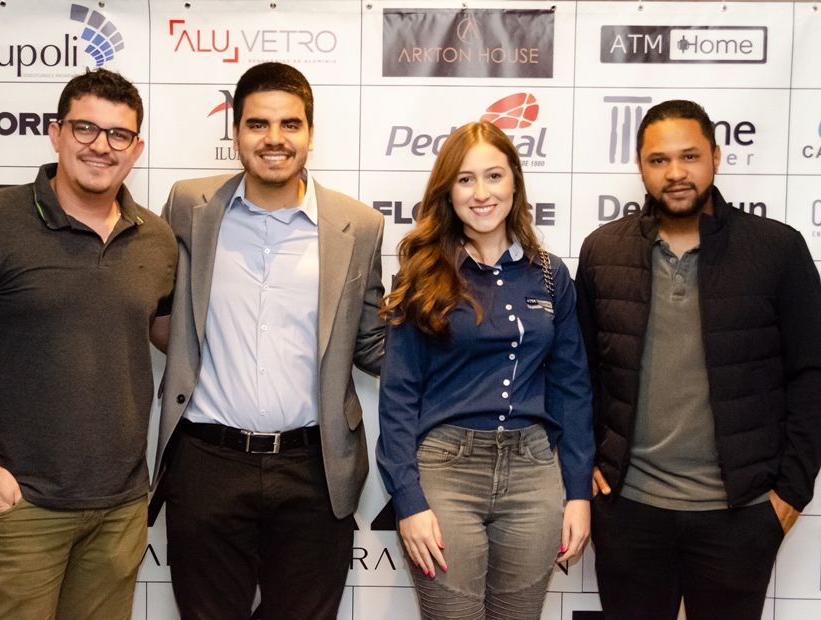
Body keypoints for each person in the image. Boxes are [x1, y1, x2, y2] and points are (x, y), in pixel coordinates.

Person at [0, 69, 176, 618]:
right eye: (84, 129)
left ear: (136, 148)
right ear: (56, 133)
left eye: (118, 135)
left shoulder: (157, 236)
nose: (101, 147)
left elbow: (167, 334)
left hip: (121, 507)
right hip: (21, 505)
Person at [149, 61, 385, 619]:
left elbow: (372, 342)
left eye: (290, 125)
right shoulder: (188, 206)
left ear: (309, 133)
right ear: (235, 134)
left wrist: (461, 354)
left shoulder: (361, 226)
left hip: (315, 465)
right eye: (258, 124)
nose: (274, 139)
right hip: (206, 461)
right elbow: (156, 311)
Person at [576, 99, 821, 619]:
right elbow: (583, 375)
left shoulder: (776, 249)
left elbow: (811, 374)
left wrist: (790, 494)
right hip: (628, 512)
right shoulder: (603, 250)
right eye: (659, 160)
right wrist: (586, 470)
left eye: (689, 156)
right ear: (640, 167)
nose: (676, 173)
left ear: (716, 155)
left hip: (741, 516)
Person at [376, 121, 594, 619]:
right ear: (447, 191)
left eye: (493, 176)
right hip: (446, 472)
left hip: (534, 474)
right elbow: (398, 395)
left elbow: (571, 388)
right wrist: (407, 500)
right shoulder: (422, 272)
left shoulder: (549, 273)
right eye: (465, 179)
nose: (481, 193)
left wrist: (577, 492)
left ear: (515, 182)